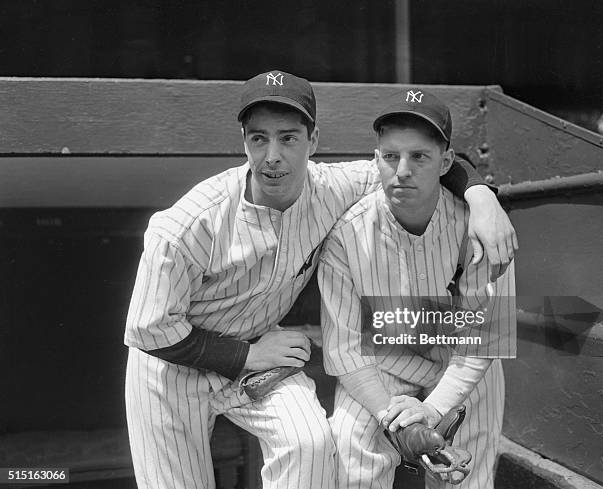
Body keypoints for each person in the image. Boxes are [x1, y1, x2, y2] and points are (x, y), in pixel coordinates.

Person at [123, 70, 517, 489]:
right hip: (173, 366)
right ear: (244, 142)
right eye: (259, 139)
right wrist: (246, 355)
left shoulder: (340, 186)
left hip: (265, 348)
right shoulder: (186, 225)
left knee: (310, 446)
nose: (272, 155)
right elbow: (148, 330)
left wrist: (482, 196)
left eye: (289, 138)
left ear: (313, 143)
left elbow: (422, 162)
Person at [318, 89, 516, 489]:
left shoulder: (480, 227)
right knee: (354, 458)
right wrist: (394, 417)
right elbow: (344, 348)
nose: (402, 170)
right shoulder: (346, 234)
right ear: (377, 159)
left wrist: (433, 410)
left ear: (446, 162)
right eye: (390, 156)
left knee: (467, 476)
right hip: (383, 362)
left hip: (460, 363)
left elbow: (485, 339)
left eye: (419, 157)